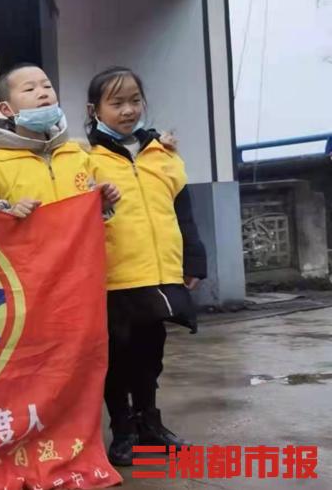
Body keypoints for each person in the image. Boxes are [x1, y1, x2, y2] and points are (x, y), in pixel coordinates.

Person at [84, 67, 207, 466]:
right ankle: (123, 429)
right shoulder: (86, 160)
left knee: (151, 352)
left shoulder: (162, 155)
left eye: (135, 100)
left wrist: (193, 259)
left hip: (160, 272)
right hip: (115, 275)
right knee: (117, 356)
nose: (128, 110)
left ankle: (150, 424)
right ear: (95, 109)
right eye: (116, 102)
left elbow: (183, 212)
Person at [0, 63, 121, 216]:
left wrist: (102, 206)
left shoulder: (78, 154)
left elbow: (100, 220)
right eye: (29, 89)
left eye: (47, 86)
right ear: (6, 109)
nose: (43, 93)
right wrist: (8, 213)